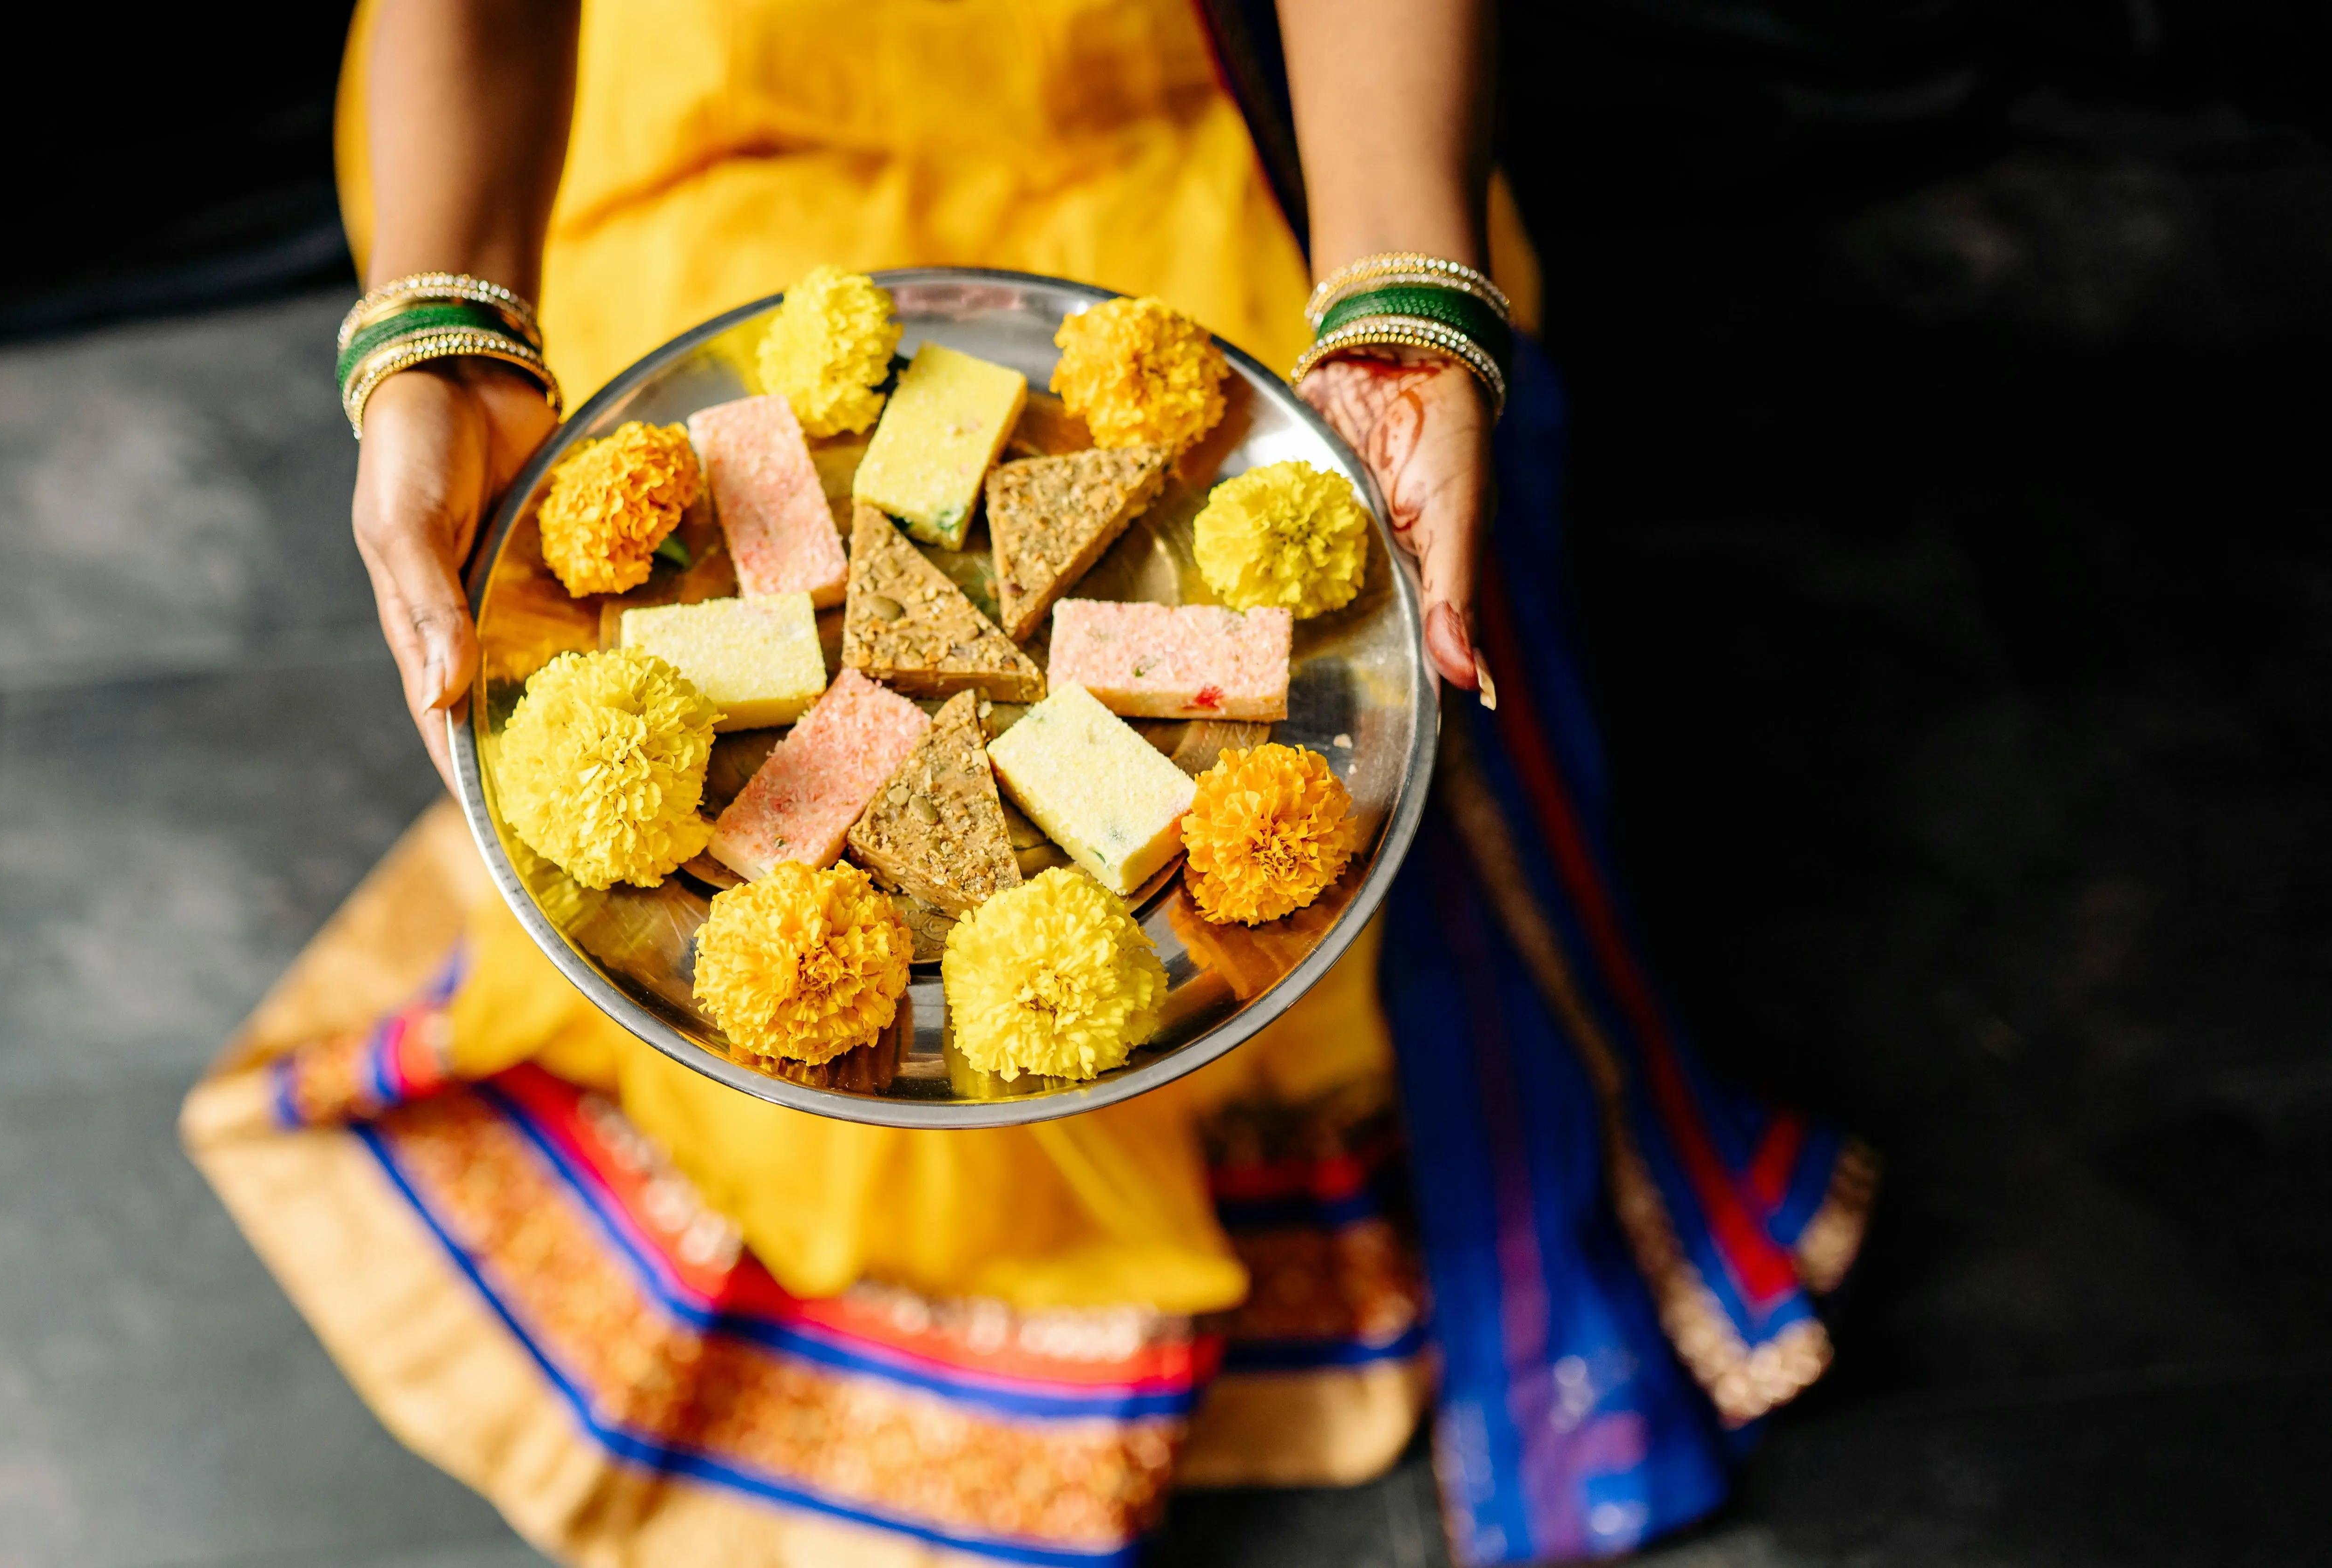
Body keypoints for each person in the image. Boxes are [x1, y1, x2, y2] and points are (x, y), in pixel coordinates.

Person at [180, 3, 1875, 1563]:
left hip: (1188, 96)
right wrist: (441, 329)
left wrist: (1401, 290)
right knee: (704, 675)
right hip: (699, 112)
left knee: (1252, 672)